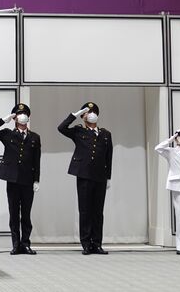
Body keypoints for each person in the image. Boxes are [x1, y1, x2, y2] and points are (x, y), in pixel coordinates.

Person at [57, 102, 113, 255]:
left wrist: (108, 177)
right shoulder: (78, 131)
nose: (92, 114)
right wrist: (74, 115)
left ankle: (97, 243)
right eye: (88, 112)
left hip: (100, 176)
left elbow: (109, 157)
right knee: (85, 210)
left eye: (94, 112)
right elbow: (61, 128)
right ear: (83, 116)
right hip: (84, 175)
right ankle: (86, 243)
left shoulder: (105, 134)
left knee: (98, 211)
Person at [0, 103, 41, 255]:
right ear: (15, 118)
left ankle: (26, 243)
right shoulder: (7, 134)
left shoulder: (35, 137)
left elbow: (37, 160)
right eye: (19, 114)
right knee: (14, 213)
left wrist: (37, 180)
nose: (23, 116)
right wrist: (5, 119)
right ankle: (16, 244)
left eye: (25, 114)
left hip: (28, 180)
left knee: (27, 214)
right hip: (13, 179)